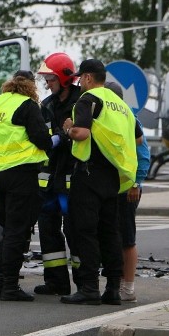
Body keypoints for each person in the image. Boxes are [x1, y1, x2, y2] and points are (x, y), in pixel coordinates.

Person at [60, 60, 137, 305]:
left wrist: (68, 129)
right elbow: (135, 140)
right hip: (114, 176)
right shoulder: (123, 106)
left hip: (90, 173)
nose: (79, 82)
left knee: (85, 231)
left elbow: (82, 133)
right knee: (110, 232)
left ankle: (90, 288)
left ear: (89, 78)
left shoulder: (88, 99)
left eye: (80, 77)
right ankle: (113, 289)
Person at [0, 70, 52, 301]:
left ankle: (1, 284)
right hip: (20, 172)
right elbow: (42, 138)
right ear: (30, 86)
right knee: (17, 230)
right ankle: (10, 286)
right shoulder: (28, 105)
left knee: (8, 229)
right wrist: (58, 137)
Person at [33, 53, 81, 296]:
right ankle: (56, 282)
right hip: (51, 181)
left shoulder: (81, 102)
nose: (47, 84)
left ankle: (84, 284)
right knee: (48, 231)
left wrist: (62, 137)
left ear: (63, 78)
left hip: (73, 180)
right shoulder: (47, 105)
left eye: (50, 79)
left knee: (76, 231)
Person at [104, 81, 151, 303]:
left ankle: (128, 286)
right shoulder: (117, 118)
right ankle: (119, 281)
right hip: (113, 186)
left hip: (128, 187)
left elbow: (143, 155)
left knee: (127, 237)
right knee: (114, 235)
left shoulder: (130, 119)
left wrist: (136, 183)